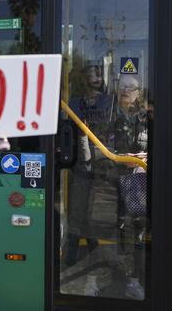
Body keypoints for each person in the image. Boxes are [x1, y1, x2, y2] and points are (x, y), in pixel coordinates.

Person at [64, 65, 112, 269]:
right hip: (78, 164)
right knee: (79, 212)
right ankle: (83, 251)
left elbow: (107, 136)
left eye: (98, 75)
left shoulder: (107, 104)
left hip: (100, 163)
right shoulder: (73, 104)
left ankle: (82, 251)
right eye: (91, 75)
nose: (95, 79)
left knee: (83, 213)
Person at [105, 73, 148, 300]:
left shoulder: (145, 118)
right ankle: (121, 274)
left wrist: (143, 157)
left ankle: (136, 278)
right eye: (122, 86)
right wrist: (118, 158)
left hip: (140, 179)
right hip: (115, 179)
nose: (126, 91)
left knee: (139, 227)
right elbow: (102, 146)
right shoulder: (109, 115)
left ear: (139, 93)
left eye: (131, 87)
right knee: (120, 224)